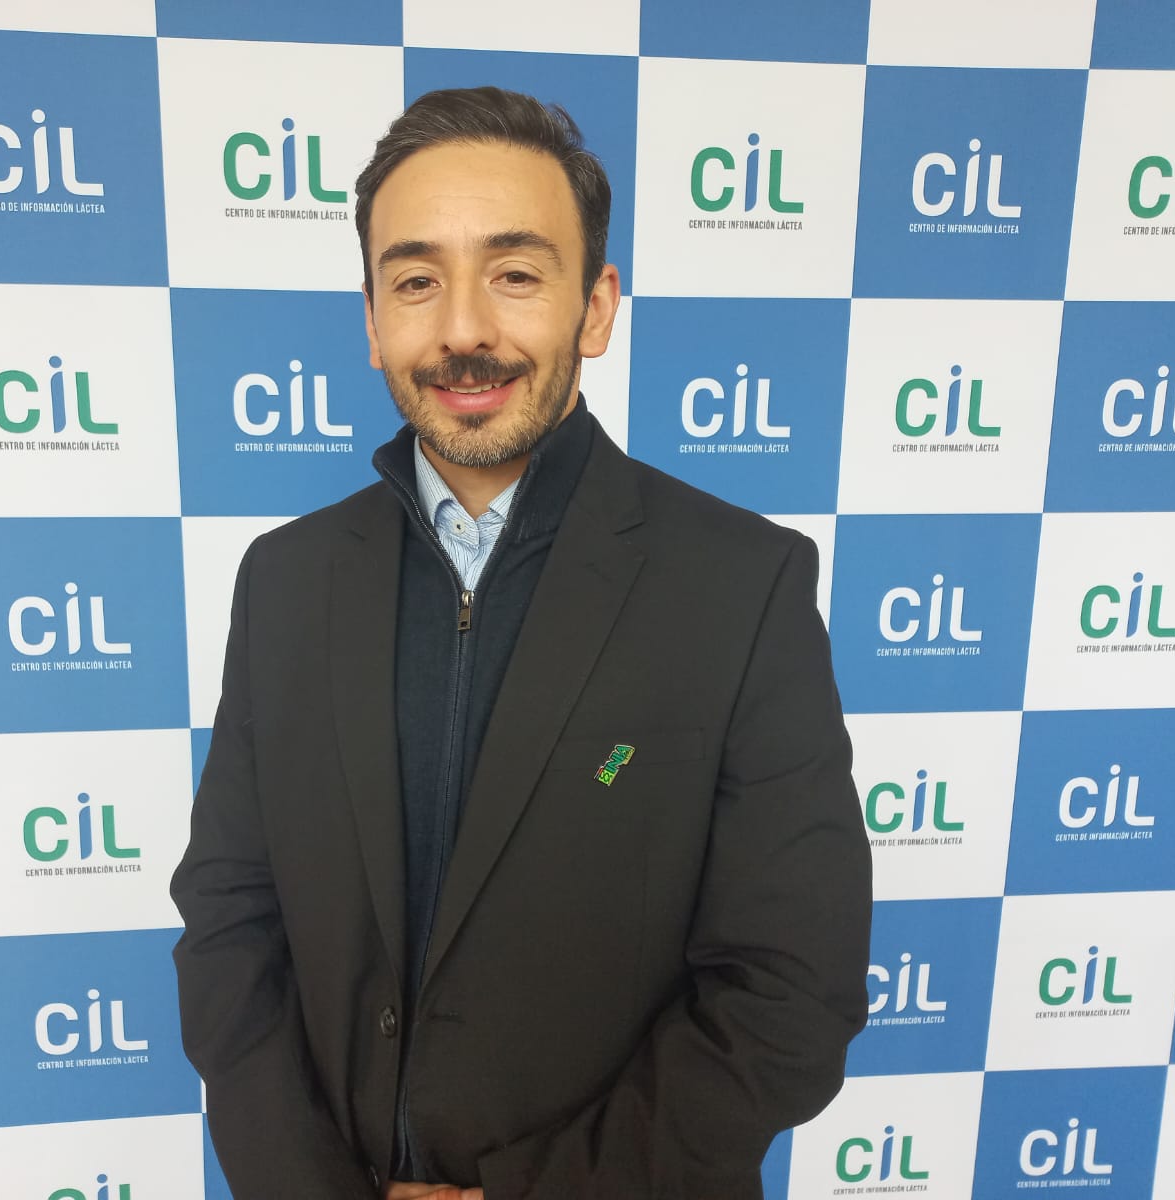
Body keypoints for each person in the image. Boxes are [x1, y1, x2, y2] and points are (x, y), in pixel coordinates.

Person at [171, 86, 872, 1200]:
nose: (463, 330)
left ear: (595, 308)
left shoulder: (743, 584)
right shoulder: (286, 580)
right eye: (416, 281)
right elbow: (229, 923)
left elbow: (791, 989)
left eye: (513, 273)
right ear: (372, 321)